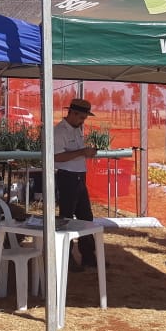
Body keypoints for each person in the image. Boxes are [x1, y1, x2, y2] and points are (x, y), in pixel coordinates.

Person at [54, 98, 99, 272]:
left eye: (85, 118)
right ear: (72, 113)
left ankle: (88, 256)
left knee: (86, 218)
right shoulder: (59, 132)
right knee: (66, 218)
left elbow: (75, 154)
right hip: (67, 177)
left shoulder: (77, 129)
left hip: (80, 176)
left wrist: (86, 153)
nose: (83, 121)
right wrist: (82, 152)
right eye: (81, 117)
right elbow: (56, 157)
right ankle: (67, 258)